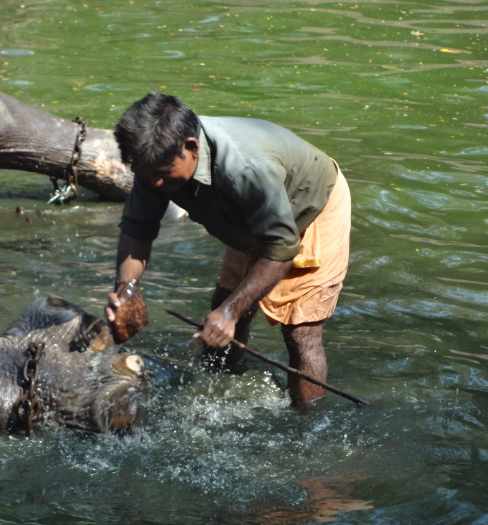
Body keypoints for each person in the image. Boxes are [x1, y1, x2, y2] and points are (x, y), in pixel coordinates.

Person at [105, 92, 351, 405]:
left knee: (300, 332)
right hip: (244, 215)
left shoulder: (245, 169)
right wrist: (127, 290)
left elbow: (283, 245)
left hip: (307, 209)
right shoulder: (155, 164)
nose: (154, 185)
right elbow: (137, 230)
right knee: (223, 306)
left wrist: (230, 313)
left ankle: (308, 428)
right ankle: (219, 386)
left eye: (163, 174)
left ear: (191, 148)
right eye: (146, 174)